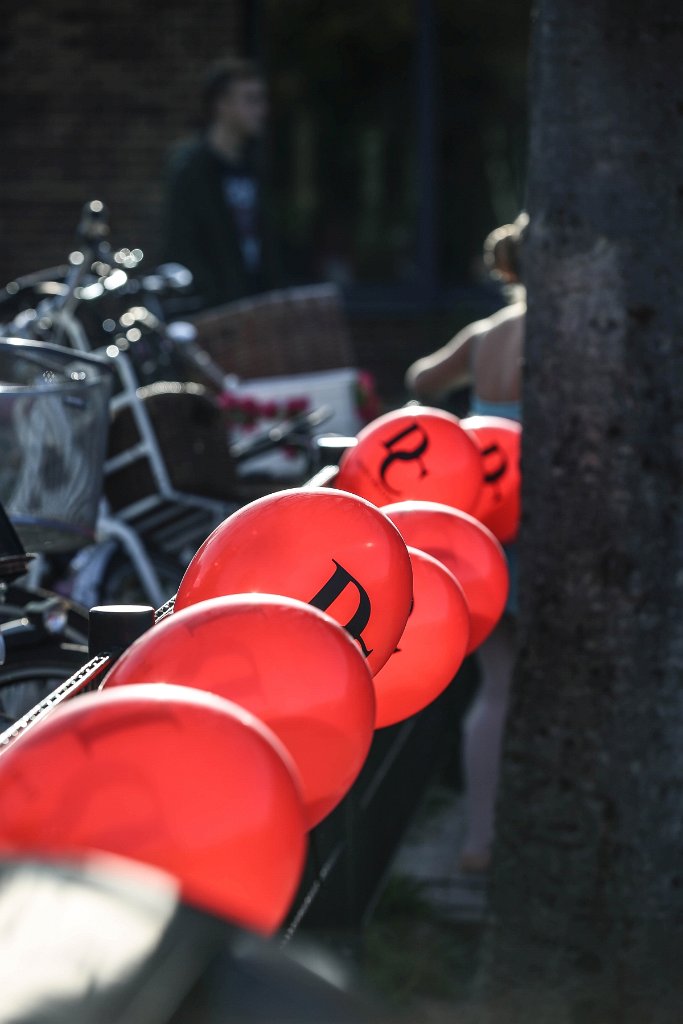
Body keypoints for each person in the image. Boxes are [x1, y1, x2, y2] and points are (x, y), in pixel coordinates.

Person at [404, 213, 527, 874]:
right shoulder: (566, 333)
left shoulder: (484, 336)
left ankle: (478, 839)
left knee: (497, 686)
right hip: (547, 521)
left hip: (486, 528)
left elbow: (421, 380)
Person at [159, 56, 280, 312]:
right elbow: (179, 244)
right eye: (250, 100)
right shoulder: (191, 169)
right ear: (222, 104)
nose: (261, 110)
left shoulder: (255, 168)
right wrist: (210, 296)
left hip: (257, 307)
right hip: (215, 313)